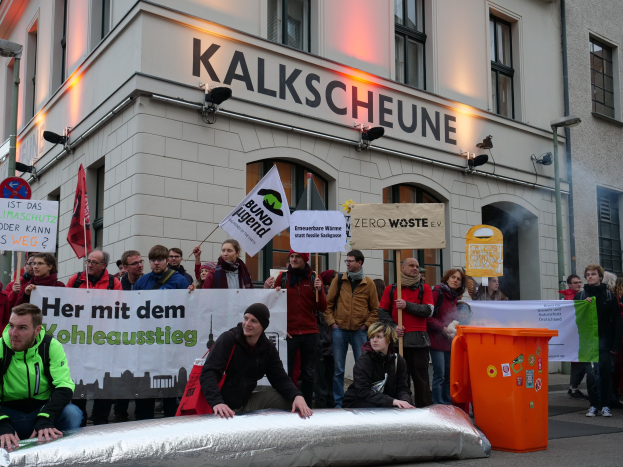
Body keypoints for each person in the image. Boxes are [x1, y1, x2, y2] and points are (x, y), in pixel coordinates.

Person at [200, 303, 313, 418]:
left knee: (289, 400)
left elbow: (280, 379)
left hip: (245, 404)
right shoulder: (229, 339)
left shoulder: (267, 348)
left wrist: (297, 396)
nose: (247, 324)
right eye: (246, 318)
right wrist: (217, 402)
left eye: (254, 321)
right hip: (219, 405)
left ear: (263, 326)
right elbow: (209, 373)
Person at [0, 304, 82, 451]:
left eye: (22, 328)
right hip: (7, 414)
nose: (13, 333)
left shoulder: (51, 346)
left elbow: (64, 385)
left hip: (40, 413)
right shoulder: (0, 347)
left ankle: (57, 455)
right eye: (11, 326)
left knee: (73, 414)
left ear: (37, 330)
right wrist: (2, 423)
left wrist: (46, 416)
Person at [133, 245, 194, 419]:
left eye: (159, 260)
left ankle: (171, 421)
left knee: (171, 382)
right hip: (148, 340)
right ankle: (143, 420)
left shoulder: (179, 280)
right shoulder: (142, 281)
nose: (156, 263)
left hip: (170, 339)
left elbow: (187, 308)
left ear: (167, 260)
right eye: (152, 260)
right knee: (146, 382)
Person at [263, 250, 327, 407]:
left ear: (305, 259)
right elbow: (272, 304)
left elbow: (322, 307)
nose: (293, 259)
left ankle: (307, 405)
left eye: (297, 257)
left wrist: (319, 291)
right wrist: (267, 289)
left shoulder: (313, 278)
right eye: (291, 256)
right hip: (289, 333)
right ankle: (288, 402)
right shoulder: (283, 278)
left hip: (310, 332)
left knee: (308, 373)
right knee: (287, 372)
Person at [324, 250, 379, 408]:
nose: (347, 264)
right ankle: (339, 403)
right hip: (339, 330)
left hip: (359, 331)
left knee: (362, 368)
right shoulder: (339, 280)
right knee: (339, 370)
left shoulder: (368, 284)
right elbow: (327, 305)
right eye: (346, 261)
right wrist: (332, 324)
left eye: (350, 261)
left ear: (359, 263)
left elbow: (375, 310)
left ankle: (360, 400)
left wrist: (365, 326)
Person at [378, 258, 433, 407]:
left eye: (417, 266)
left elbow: (428, 311)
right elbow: (382, 313)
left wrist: (407, 305)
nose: (415, 268)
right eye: (411, 266)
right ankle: (401, 408)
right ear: (402, 268)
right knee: (400, 379)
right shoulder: (391, 289)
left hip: (419, 341)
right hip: (398, 340)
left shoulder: (425, 288)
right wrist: (394, 326)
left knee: (421, 379)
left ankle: (425, 410)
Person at [576, 265, 623, 417]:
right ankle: (593, 405)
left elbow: (617, 322)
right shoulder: (581, 296)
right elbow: (574, 319)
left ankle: (606, 405)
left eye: (593, 274)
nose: (590, 277)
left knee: (605, 373)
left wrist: (615, 345)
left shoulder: (609, 296)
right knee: (591, 374)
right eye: (587, 274)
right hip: (588, 342)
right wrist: (583, 307)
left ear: (600, 277)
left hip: (605, 342)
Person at [343, 322, 414, 409]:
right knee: (379, 409)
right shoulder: (364, 360)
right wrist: (392, 401)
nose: (374, 340)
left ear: (389, 339)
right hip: (358, 402)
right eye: (372, 337)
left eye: (379, 337)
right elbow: (363, 392)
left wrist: (405, 401)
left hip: (385, 401)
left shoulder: (398, 360)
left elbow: (402, 388)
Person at [427, 268, 467, 405]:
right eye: (453, 277)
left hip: (449, 342)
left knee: (449, 375)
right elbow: (429, 317)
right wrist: (442, 329)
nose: (455, 280)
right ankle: (438, 404)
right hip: (437, 341)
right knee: (439, 375)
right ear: (447, 278)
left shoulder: (454, 298)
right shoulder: (437, 292)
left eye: (459, 279)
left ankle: (447, 403)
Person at [560, 274, 589, 400]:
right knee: (578, 362)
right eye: (575, 282)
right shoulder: (570, 298)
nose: (579, 284)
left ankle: (574, 388)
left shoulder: (579, 296)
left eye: (579, 282)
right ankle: (573, 389)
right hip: (575, 336)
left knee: (579, 362)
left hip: (578, 334)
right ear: (569, 285)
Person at [315, 270, 337, 409]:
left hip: (331, 342)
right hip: (322, 341)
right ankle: (322, 403)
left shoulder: (336, 297)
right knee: (320, 376)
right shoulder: (319, 295)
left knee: (330, 375)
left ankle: (330, 401)